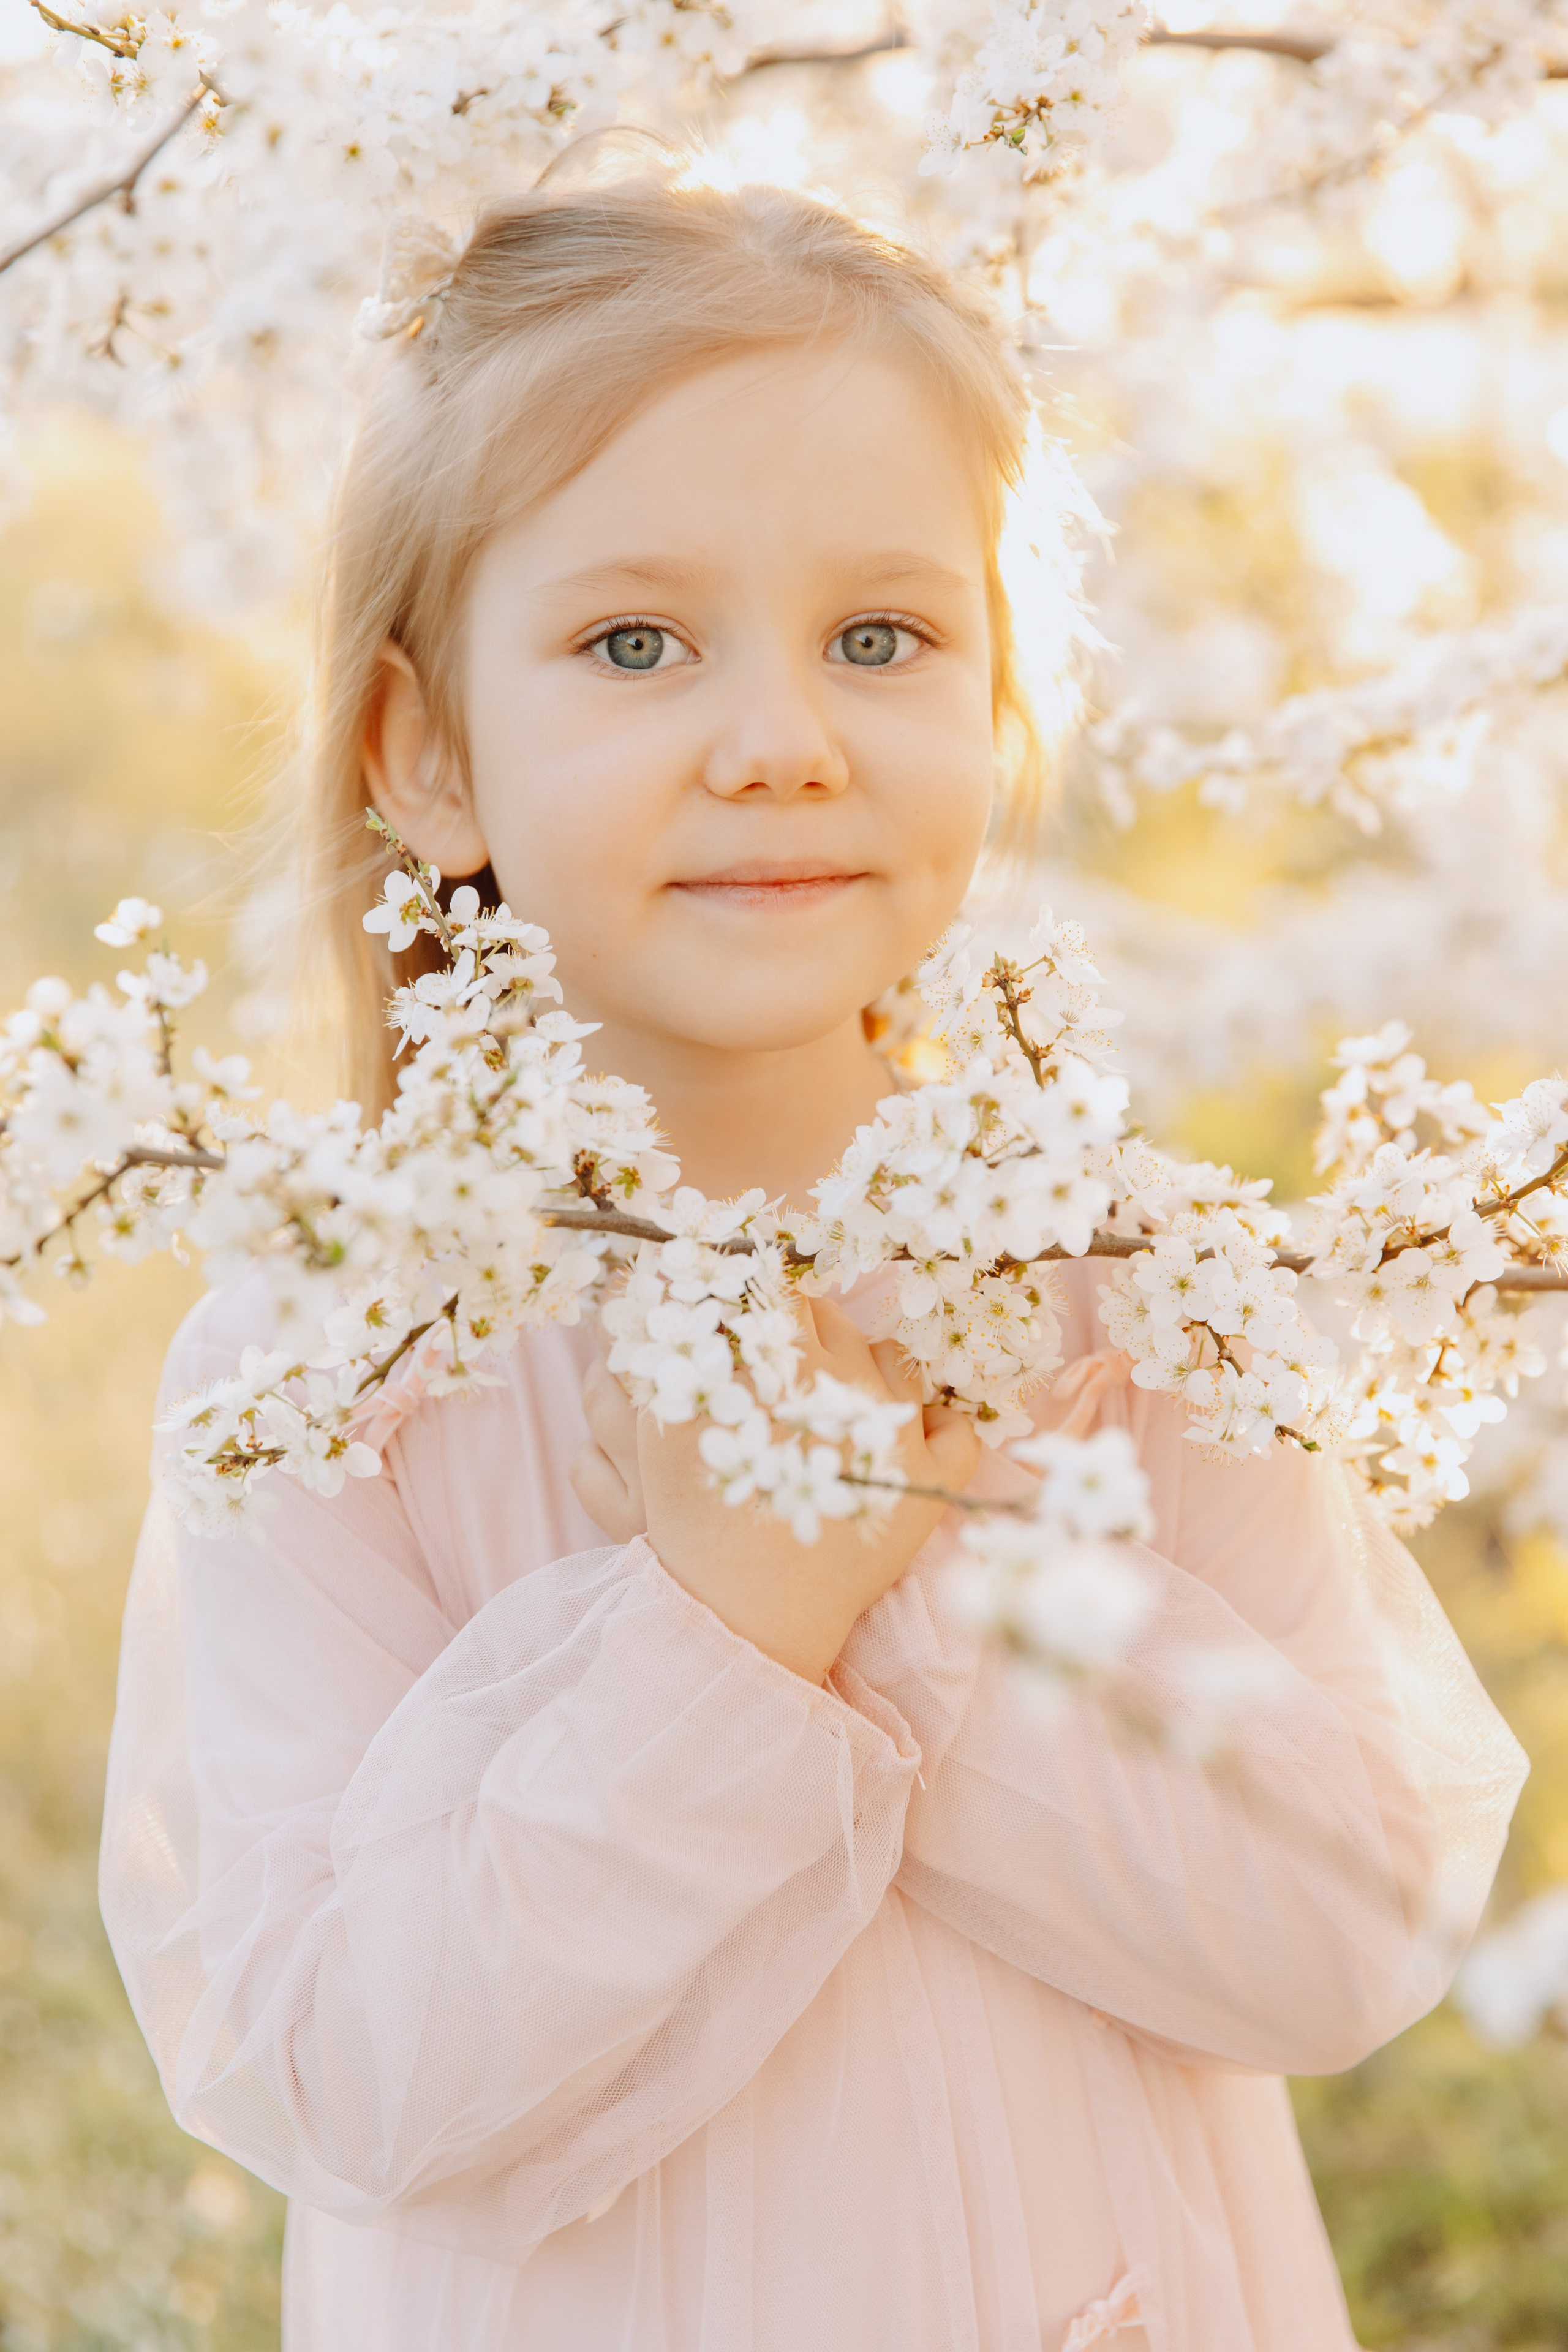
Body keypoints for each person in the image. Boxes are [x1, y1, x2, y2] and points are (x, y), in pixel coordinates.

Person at [99, 167, 1526, 2352]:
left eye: (881, 638)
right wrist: (721, 1640)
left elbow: (1347, 1928)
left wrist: (918, 1592)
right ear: (428, 755)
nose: (782, 742)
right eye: (635, 644)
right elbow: (347, 2073)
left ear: (1005, 703)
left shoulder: (1126, 1288)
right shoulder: (333, 1373)